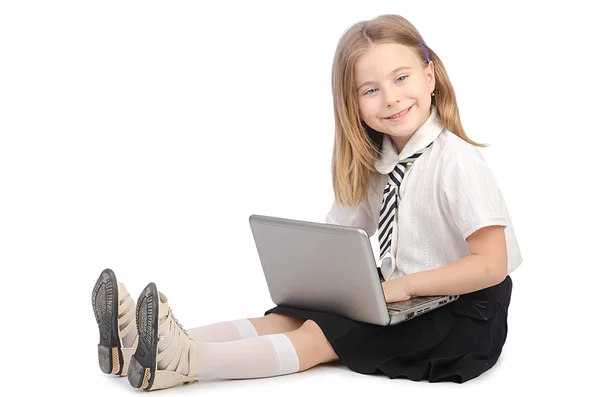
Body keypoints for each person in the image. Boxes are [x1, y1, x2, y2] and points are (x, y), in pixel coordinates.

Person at [91, 13, 522, 391]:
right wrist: (323, 282)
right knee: (294, 316)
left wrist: (404, 287)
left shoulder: (457, 161)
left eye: (401, 78)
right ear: (352, 103)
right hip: (400, 301)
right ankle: (140, 345)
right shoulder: (380, 166)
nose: (390, 98)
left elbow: (491, 264)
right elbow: (340, 237)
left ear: (430, 76)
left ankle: (185, 362)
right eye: (370, 89)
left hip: (465, 315)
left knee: (324, 335)